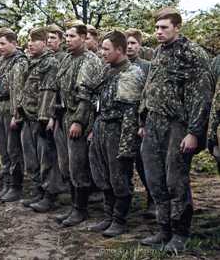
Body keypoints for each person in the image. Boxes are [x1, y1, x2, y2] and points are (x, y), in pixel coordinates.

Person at [139, 7, 213, 252]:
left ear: (177, 27)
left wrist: (193, 132)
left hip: (177, 126)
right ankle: (163, 230)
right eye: (156, 28)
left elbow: (201, 96)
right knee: (155, 180)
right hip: (153, 124)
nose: (158, 32)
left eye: (164, 27)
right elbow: (150, 87)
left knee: (175, 181)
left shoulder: (192, 53)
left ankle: (180, 233)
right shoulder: (159, 51)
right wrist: (143, 120)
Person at [88, 30, 145, 237]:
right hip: (102, 126)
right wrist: (94, 129)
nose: (102, 52)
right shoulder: (107, 71)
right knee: (102, 174)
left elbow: (130, 113)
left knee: (119, 176)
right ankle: (108, 216)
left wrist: (126, 145)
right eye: (102, 48)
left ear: (119, 50)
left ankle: (119, 220)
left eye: (106, 49)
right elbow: (97, 102)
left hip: (118, 130)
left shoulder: (131, 74)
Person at [53, 22, 103, 227]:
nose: (68, 39)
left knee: (77, 165)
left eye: (72, 36)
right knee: (66, 164)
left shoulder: (89, 60)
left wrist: (78, 122)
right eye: (66, 36)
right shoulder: (67, 58)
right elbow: (58, 88)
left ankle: (80, 209)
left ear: (83, 37)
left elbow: (86, 96)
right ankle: (74, 205)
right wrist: (54, 117)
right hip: (64, 115)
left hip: (79, 118)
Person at [18, 27, 66, 212]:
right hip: (28, 116)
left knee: (47, 159)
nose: (30, 44)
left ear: (45, 43)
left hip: (41, 119)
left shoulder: (50, 63)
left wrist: (44, 119)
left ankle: (50, 195)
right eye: (29, 41)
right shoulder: (32, 61)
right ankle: (38, 191)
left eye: (35, 40)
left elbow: (48, 93)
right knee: (32, 159)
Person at [0, 28, 28, 202]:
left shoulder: (19, 62)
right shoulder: (2, 61)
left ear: (14, 43)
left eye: (3, 43)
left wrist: (16, 114)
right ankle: (6, 183)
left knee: (13, 150)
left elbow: (18, 90)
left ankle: (15, 186)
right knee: (3, 149)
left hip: (10, 107)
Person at [125, 28, 154, 218]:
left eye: (133, 43)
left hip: (141, 122)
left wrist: (143, 123)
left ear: (140, 45)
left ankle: (152, 199)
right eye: (126, 43)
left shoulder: (147, 67)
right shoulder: (117, 65)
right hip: (122, 124)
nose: (129, 47)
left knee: (145, 164)